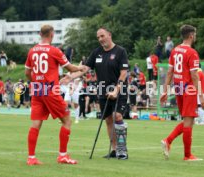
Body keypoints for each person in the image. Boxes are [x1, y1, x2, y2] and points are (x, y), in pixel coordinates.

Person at [61, 27, 129, 160]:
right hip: (102, 91)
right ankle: (114, 150)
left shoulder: (120, 51)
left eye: (102, 36)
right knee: (108, 120)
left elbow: (124, 73)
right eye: (98, 37)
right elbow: (85, 68)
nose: (100, 39)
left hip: (119, 89)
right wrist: (71, 77)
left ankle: (122, 150)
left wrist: (116, 90)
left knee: (118, 116)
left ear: (109, 35)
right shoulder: (96, 52)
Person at [24, 24, 85, 165]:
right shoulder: (54, 50)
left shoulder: (32, 51)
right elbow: (70, 67)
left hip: (38, 90)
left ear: (40, 34)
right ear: (52, 34)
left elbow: (27, 73)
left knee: (36, 124)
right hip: (51, 90)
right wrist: (80, 67)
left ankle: (31, 158)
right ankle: (62, 155)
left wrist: (37, 82)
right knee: (67, 120)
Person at [160, 25, 204, 161]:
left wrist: (165, 91)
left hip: (179, 88)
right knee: (188, 121)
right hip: (189, 89)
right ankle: (187, 155)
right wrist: (201, 97)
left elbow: (170, 72)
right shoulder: (192, 52)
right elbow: (194, 75)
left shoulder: (175, 51)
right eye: (195, 34)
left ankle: (168, 141)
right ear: (191, 35)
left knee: (188, 121)